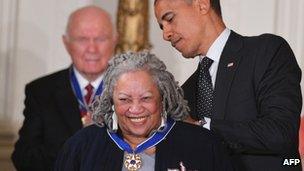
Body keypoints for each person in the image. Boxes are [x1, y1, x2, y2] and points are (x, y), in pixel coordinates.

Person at [154, 0, 302, 170]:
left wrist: (201, 128)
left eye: (170, 18)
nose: (165, 34)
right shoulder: (184, 93)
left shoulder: (266, 52)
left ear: (202, 5)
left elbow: (280, 131)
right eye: (161, 26)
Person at [54, 51, 233, 171]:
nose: (135, 108)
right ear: (111, 101)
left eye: (146, 98)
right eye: (124, 99)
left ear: (163, 97)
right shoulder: (81, 147)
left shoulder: (203, 145)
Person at [12, 5, 118, 171]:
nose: (92, 49)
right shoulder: (41, 91)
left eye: (101, 39)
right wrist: (78, 141)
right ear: (66, 43)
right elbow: (24, 158)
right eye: (82, 39)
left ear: (114, 40)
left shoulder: (133, 89)